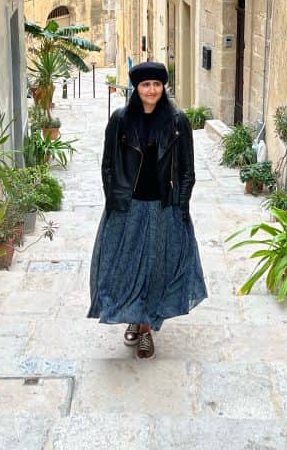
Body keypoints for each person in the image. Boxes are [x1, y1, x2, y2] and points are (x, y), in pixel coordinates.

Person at [87, 61, 207, 359]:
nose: (151, 90)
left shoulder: (177, 121)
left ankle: (145, 329)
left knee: (156, 267)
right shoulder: (120, 120)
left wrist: (181, 206)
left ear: (163, 87)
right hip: (128, 207)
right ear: (136, 88)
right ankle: (134, 315)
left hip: (163, 207)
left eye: (156, 84)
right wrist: (112, 200)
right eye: (145, 85)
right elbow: (107, 165)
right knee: (123, 267)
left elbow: (187, 171)